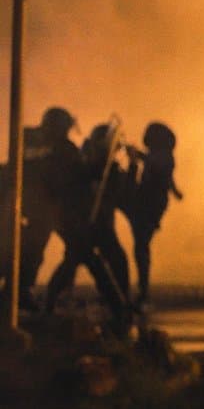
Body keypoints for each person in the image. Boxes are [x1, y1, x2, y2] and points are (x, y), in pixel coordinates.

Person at [45, 122, 133, 336]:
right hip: (80, 224)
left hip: (100, 225)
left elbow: (119, 194)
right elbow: (77, 182)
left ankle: (121, 305)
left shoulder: (110, 168)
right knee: (81, 262)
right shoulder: (77, 158)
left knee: (113, 260)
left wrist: (131, 167)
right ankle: (118, 308)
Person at [0, 107, 81, 311]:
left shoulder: (33, 138)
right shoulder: (45, 143)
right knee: (25, 250)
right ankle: (18, 292)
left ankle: (18, 291)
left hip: (35, 207)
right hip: (31, 205)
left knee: (27, 250)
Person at [122, 122, 183, 308]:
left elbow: (156, 166)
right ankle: (143, 290)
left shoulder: (163, 157)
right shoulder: (164, 156)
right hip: (149, 202)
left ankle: (143, 291)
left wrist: (136, 155)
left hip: (149, 203)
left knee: (141, 246)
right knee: (141, 246)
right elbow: (166, 176)